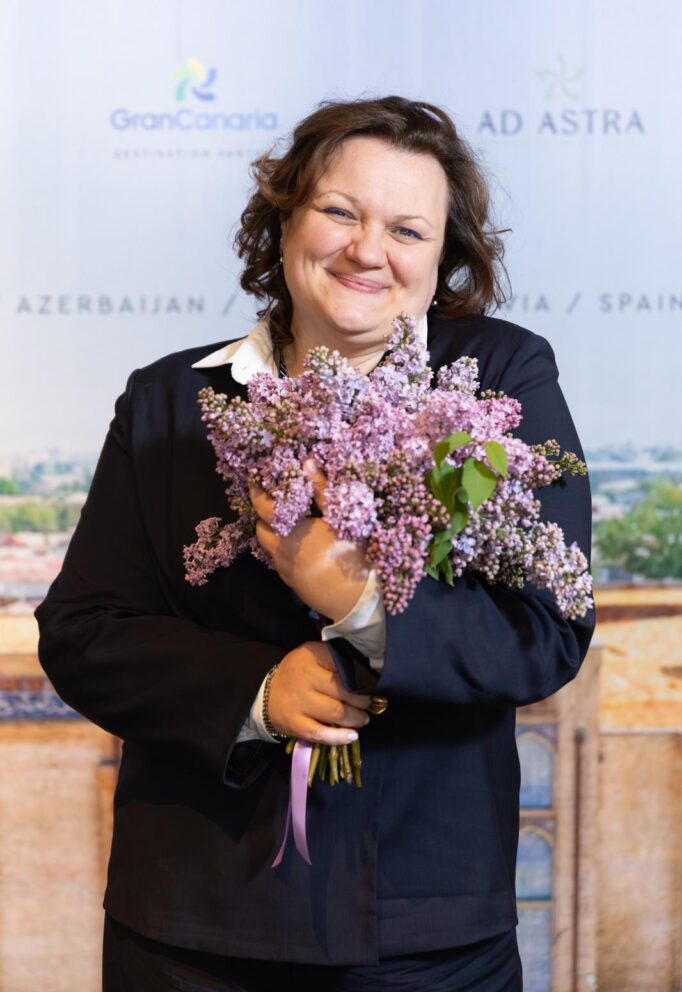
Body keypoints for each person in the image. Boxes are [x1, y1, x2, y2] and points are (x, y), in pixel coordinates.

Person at [36, 95, 594, 991]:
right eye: (339, 211)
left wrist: (363, 603)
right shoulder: (168, 402)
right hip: (192, 924)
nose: (368, 250)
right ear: (285, 220)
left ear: (442, 257)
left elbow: (546, 629)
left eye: (407, 230)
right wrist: (259, 692)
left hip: (425, 929)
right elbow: (84, 633)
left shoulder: (498, 380)